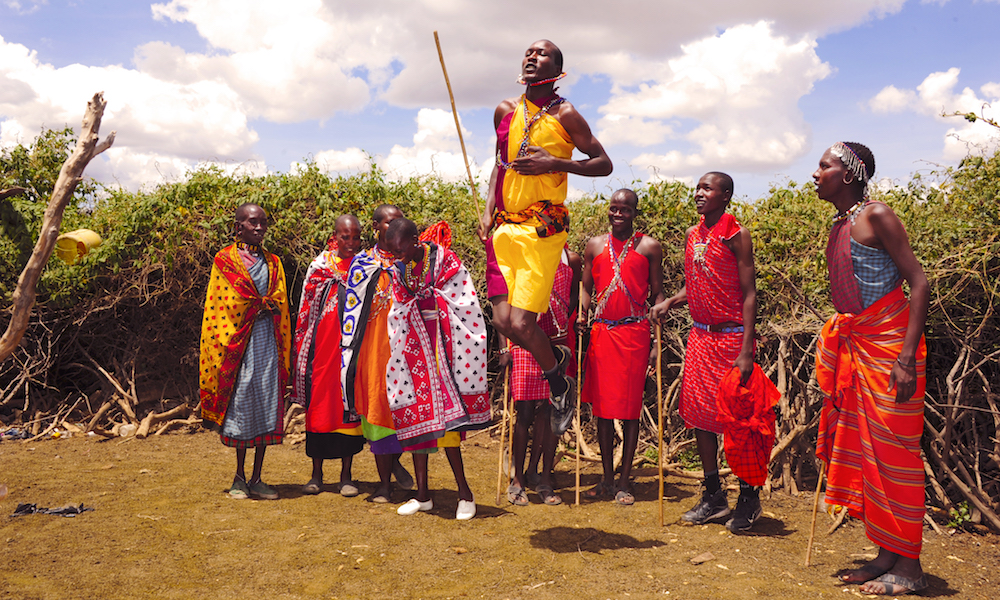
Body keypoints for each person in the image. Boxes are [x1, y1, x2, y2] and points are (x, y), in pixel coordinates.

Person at [477, 39, 612, 436]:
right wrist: (488, 211)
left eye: (543, 54)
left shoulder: (567, 114)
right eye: (529, 53)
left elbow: (603, 164)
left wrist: (555, 162)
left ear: (558, 70)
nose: (533, 57)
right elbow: (499, 167)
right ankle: (556, 361)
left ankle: (557, 381)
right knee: (502, 321)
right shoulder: (505, 110)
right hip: (504, 226)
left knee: (521, 324)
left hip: (542, 228)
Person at [812, 142, 929, 596]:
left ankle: (912, 566)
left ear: (849, 172)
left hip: (889, 348)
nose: (816, 173)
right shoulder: (841, 224)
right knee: (868, 453)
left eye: (825, 165)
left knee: (896, 456)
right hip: (859, 346)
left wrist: (904, 360)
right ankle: (886, 553)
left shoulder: (877, 215)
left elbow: (918, 282)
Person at [650, 172, 763, 532]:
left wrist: (747, 347)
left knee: (739, 422)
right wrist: (672, 301)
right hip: (700, 337)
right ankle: (713, 494)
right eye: (697, 187)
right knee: (700, 418)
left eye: (707, 188)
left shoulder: (736, 235)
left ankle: (749, 497)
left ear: (726, 195)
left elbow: (749, 293)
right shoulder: (693, 234)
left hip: (732, 340)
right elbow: (698, 281)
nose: (698, 193)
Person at [383, 218, 491, 520]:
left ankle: (465, 494)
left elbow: (464, 302)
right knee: (419, 425)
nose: (397, 258)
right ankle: (423, 496)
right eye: (393, 253)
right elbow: (399, 307)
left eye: (402, 251)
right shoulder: (398, 270)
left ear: (417, 241)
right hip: (416, 352)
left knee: (449, 429)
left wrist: (430, 300)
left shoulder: (446, 261)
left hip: (447, 348)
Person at [199, 203, 291, 500]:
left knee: (266, 402)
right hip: (238, 345)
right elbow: (221, 305)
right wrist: (255, 304)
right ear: (238, 225)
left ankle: (258, 477)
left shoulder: (274, 262)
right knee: (241, 405)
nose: (260, 228)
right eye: (253, 223)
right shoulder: (224, 260)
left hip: (267, 342)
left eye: (263, 222)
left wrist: (268, 306)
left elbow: (280, 299)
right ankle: (239, 478)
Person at [579, 188, 664, 506]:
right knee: (601, 411)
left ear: (634, 213)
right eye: (614, 208)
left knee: (629, 412)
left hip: (635, 335)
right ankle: (606, 479)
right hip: (602, 334)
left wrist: (657, 339)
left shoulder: (650, 246)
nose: (618, 214)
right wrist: (583, 314)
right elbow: (585, 287)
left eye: (625, 210)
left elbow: (657, 295)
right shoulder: (594, 245)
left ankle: (625, 482)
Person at [339, 205, 413, 503]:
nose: (394, 227)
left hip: (404, 349)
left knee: (401, 410)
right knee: (377, 410)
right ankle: (384, 483)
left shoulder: (409, 260)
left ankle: (401, 467)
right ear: (375, 227)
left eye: (399, 222)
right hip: (372, 349)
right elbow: (352, 311)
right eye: (388, 222)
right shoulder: (362, 264)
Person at [498, 245, 581, 507]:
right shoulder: (522, 250)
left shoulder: (572, 259)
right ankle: (518, 480)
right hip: (524, 342)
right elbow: (504, 301)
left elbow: (574, 298)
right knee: (523, 413)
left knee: (551, 412)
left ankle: (543, 478)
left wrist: (566, 322)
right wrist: (504, 346)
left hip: (555, 344)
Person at [290, 214, 366, 497]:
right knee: (319, 406)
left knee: (348, 407)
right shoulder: (320, 265)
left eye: (356, 237)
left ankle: (346, 475)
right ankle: (316, 474)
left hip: (351, 349)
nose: (351, 242)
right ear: (335, 236)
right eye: (345, 237)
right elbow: (307, 304)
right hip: (322, 349)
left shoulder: (364, 265)